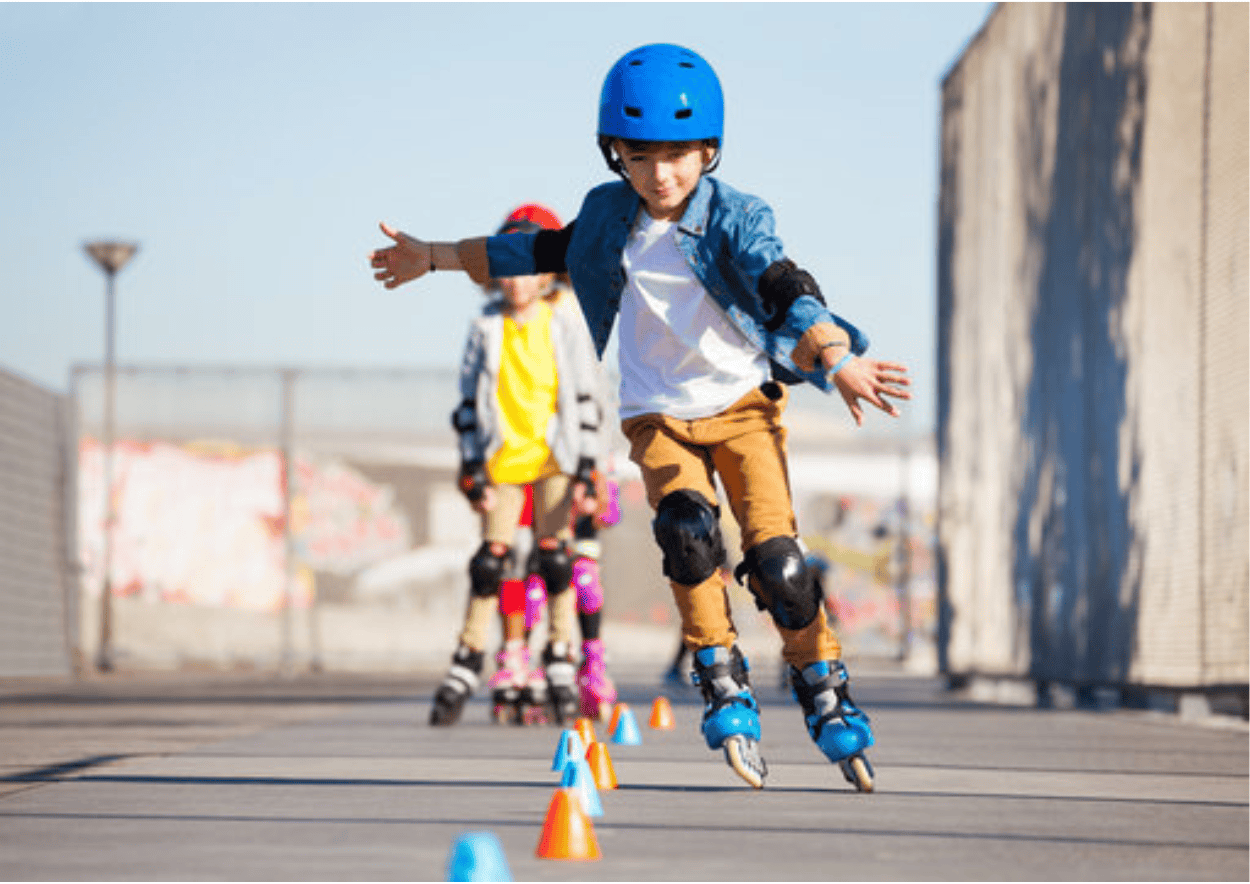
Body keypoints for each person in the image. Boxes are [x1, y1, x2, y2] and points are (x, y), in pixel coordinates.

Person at [370, 44, 910, 791]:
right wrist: (431, 255)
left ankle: (822, 680)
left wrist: (835, 355)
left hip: (744, 411)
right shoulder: (604, 217)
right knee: (687, 533)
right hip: (657, 416)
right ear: (614, 154)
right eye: (642, 156)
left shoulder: (738, 217)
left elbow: (788, 286)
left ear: (709, 150)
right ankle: (719, 672)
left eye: (681, 156)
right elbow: (530, 250)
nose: (662, 175)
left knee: (779, 563)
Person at [426, 203, 604, 728]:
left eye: (528, 271)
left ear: (548, 274)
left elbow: (586, 393)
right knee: (490, 562)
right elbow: (465, 399)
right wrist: (470, 466)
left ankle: (560, 653)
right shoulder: (485, 328)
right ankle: (469, 655)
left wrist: (590, 468)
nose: (518, 282)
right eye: (507, 270)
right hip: (503, 458)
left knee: (555, 560)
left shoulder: (564, 320)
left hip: (556, 457)